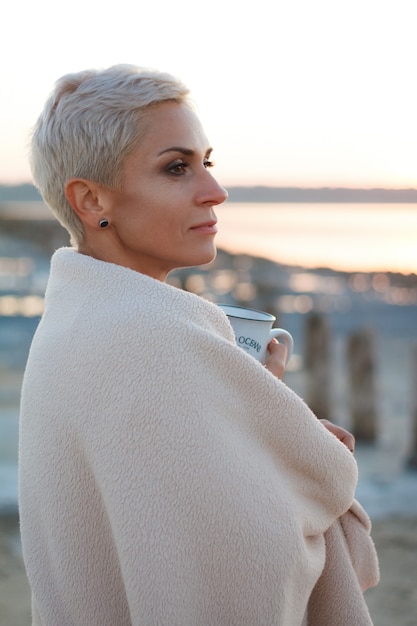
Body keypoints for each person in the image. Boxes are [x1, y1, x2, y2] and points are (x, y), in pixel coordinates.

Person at [19, 64, 379, 625]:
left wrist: (250, 416)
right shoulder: (151, 339)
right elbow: (244, 577)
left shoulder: (75, 320)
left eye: (206, 163)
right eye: (176, 168)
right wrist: (306, 456)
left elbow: (152, 524)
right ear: (91, 201)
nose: (216, 191)